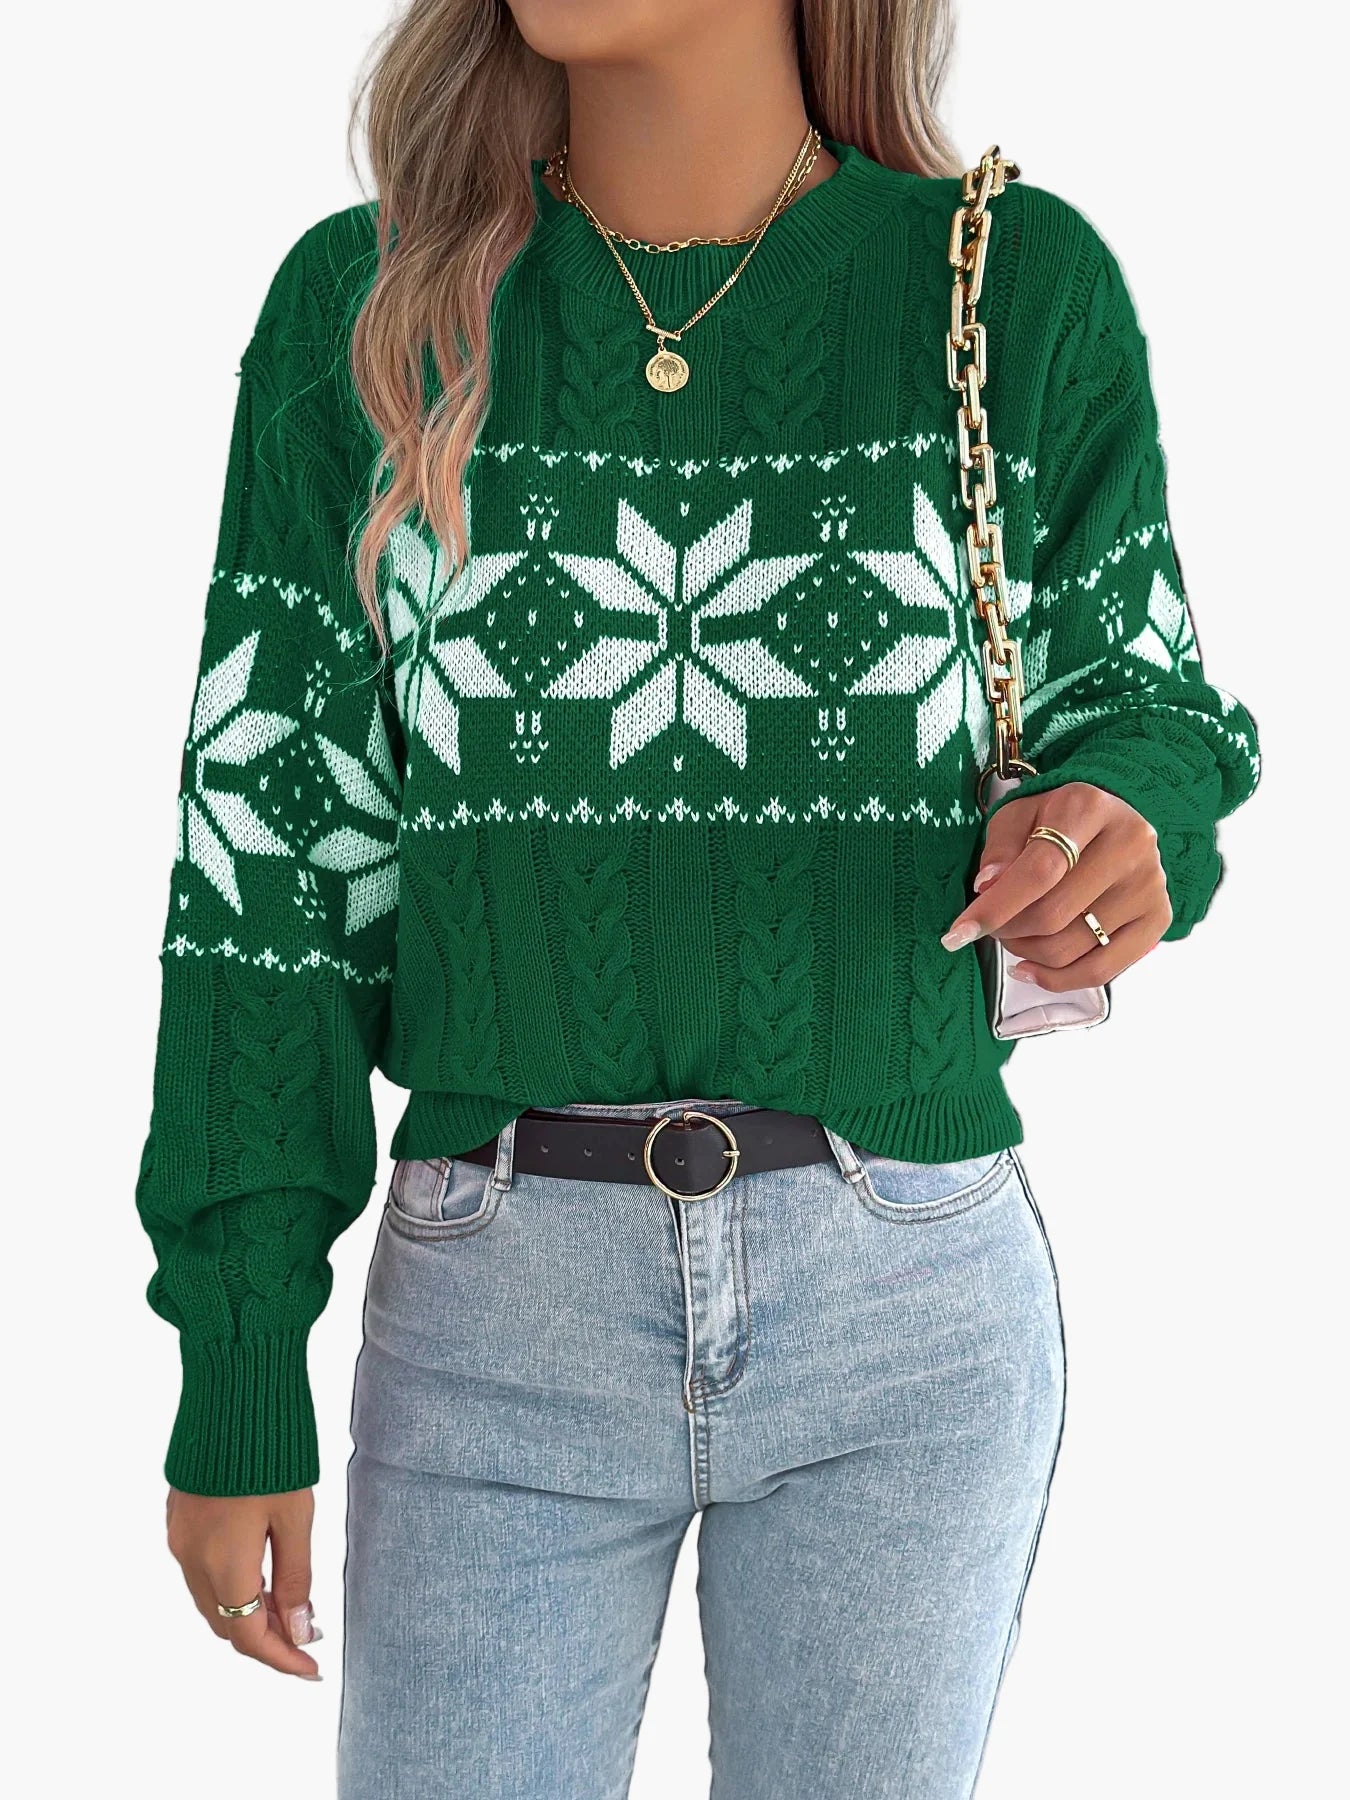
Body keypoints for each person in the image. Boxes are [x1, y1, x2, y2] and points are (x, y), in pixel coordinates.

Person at [134, 1, 1261, 1793]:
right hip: (496, 1307)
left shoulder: (1006, 284)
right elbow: (268, 865)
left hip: (904, 1300)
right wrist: (238, 1352)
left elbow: (1143, 697)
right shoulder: (369, 307)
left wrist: (1124, 822)